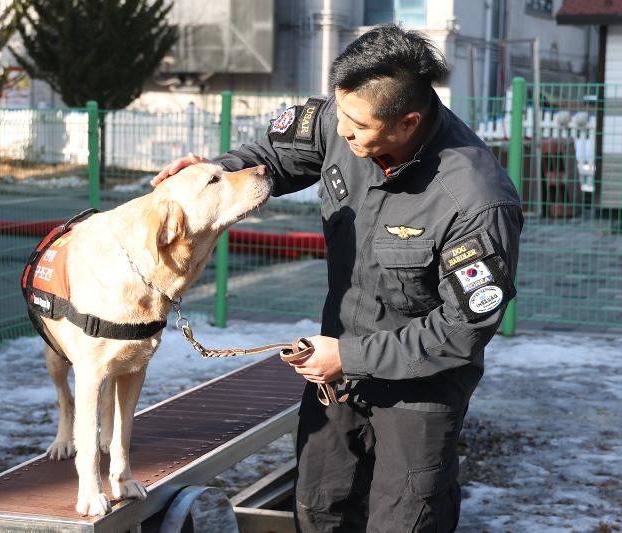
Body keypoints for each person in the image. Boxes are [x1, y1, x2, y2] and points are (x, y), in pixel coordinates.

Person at [152, 24, 522, 533]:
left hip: (419, 393)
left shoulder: (476, 200)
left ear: (407, 121)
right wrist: (214, 172)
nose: (341, 131)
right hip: (335, 379)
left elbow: (462, 331)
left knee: (405, 520)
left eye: (356, 125)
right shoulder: (342, 115)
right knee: (319, 507)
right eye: (338, 111)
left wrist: (347, 357)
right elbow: (271, 158)